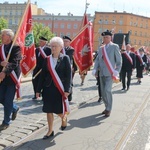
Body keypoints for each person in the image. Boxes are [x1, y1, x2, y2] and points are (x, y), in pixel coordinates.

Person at [36, 37, 72, 139]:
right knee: (48, 110)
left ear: (61, 47)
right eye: (52, 46)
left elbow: (68, 76)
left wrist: (67, 90)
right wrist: (38, 90)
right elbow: (42, 76)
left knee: (59, 110)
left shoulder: (65, 58)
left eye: (55, 46)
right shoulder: (47, 59)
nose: (53, 48)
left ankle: (64, 118)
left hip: (59, 89)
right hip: (48, 88)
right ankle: (50, 130)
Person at [93, 30, 122, 117]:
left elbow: (119, 60)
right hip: (101, 73)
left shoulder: (115, 47)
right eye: (104, 37)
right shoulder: (101, 48)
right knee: (103, 92)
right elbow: (98, 59)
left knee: (107, 90)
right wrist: (95, 69)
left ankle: (109, 108)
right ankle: (106, 107)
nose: (105, 39)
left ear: (110, 38)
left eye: (107, 37)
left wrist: (117, 71)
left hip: (110, 73)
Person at [0, 29, 22, 130]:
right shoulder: (1, 47)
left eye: (3, 35)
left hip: (12, 78)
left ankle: (6, 122)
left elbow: (15, 62)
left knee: (8, 100)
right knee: (1, 98)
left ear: (9, 37)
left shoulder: (16, 47)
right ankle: (14, 108)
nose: (1, 36)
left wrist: (5, 71)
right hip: (2, 78)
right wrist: (1, 64)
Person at [62, 36, 77, 101]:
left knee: (69, 82)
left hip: (70, 68)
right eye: (64, 41)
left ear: (69, 42)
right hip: (61, 68)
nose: (65, 43)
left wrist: (74, 67)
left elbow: (71, 58)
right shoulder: (60, 49)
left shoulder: (71, 49)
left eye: (66, 41)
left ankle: (69, 96)